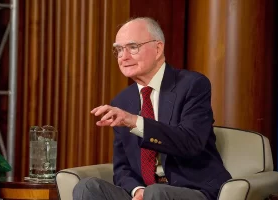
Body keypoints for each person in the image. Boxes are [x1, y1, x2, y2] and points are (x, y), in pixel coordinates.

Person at [73, 17, 231, 200]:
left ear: (158, 49)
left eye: (132, 47)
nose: (123, 57)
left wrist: (134, 121)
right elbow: (122, 168)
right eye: (118, 50)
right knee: (87, 187)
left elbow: (191, 142)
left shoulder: (192, 85)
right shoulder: (122, 101)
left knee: (156, 193)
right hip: (145, 193)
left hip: (192, 190)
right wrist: (137, 190)